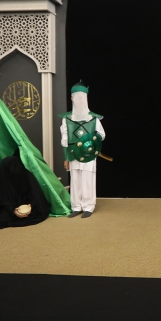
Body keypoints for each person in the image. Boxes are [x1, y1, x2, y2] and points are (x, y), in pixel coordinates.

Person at [60, 81, 105, 219]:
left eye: (82, 97)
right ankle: (76, 207)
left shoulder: (93, 118)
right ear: (72, 98)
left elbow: (102, 134)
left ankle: (88, 207)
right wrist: (66, 158)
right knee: (75, 180)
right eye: (76, 97)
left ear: (85, 98)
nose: (79, 100)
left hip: (88, 153)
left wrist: (92, 140)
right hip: (73, 153)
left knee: (87, 179)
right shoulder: (67, 119)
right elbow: (65, 139)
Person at [0, 156, 50, 229]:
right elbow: (5, 200)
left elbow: (35, 196)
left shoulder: (27, 176)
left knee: (36, 214)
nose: (15, 169)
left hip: (28, 205)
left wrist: (30, 205)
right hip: (12, 207)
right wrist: (13, 210)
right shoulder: (5, 179)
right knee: (0, 218)